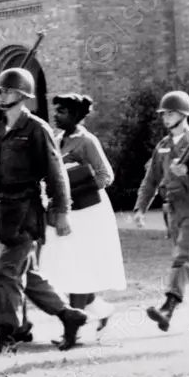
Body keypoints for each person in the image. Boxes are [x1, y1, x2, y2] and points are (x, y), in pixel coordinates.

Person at [0, 68, 88, 354]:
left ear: (21, 94)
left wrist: (62, 211)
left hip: (26, 212)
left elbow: (56, 172)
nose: (0, 95)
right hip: (4, 211)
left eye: (5, 90)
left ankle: (7, 335)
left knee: (7, 274)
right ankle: (69, 316)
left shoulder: (36, 128)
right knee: (28, 275)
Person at [39, 94, 126, 339]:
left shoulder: (87, 141)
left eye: (63, 112)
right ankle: (100, 309)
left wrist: (78, 187)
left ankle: (72, 331)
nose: (56, 115)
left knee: (78, 266)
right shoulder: (56, 140)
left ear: (76, 116)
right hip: (65, 210)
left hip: (88, 212)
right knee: (66, 266)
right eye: (56, 111)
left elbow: (105, 175)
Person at [135, 91, 189, 333]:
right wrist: (140, 207)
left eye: (170, 113)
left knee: (184, 257)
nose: (165, 117)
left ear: (184, 115)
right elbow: (150, 179)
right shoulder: (162, 146)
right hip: (172, 211)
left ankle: (168, 307)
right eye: (163, 113)